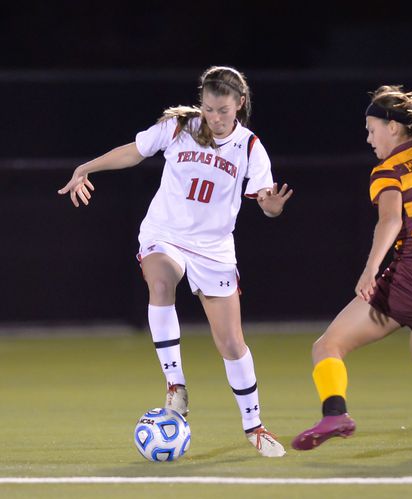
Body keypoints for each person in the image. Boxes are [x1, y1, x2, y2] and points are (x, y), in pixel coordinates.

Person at [58, 66, 293, 458]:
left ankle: (254, 426)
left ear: (240, 104)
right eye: (209, 108)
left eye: (222, 110)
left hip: (214, 249)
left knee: (232, 344)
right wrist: (87, 166)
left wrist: (271, 207)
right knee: (160, 280)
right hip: (165, 233)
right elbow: (134, 151)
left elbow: (266, 200)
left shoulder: (250, 147)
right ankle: (175, 386)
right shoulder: (179, 126)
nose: (214, 118)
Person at [291, 85, 412, 455]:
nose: (368, 137)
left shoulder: (389, 168)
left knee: (328, 346)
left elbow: (390, 220)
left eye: (371, 127)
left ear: (394, 128)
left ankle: (335, 415)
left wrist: (370, 270)